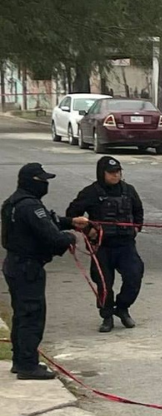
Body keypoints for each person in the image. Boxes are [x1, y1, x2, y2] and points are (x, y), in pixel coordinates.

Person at [2, 163, 88, 379]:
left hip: (14, 264)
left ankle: (20, 360)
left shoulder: (12, 202)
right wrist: (69, 238)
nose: (46, 184)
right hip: (28, 267)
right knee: (32, 315)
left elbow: (47, 222)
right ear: (31, 181)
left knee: (21, 314)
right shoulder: (30, 206)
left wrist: (69, 222)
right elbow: (51, 237)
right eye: (43, 180)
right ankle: (28, 365)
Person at [67, 156, 145, 333]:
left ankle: (122, 308)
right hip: (101, 246)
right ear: (102, 173)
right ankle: (107, 315)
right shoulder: (90, 192)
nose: (115, 175)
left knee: (134, 275)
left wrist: (136, 228)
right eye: (111, 173)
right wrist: (88, 229)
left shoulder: (129, 190)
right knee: (104, 283)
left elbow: (138, 211)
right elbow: (72, 214)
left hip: (125, 245)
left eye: (118, 172)